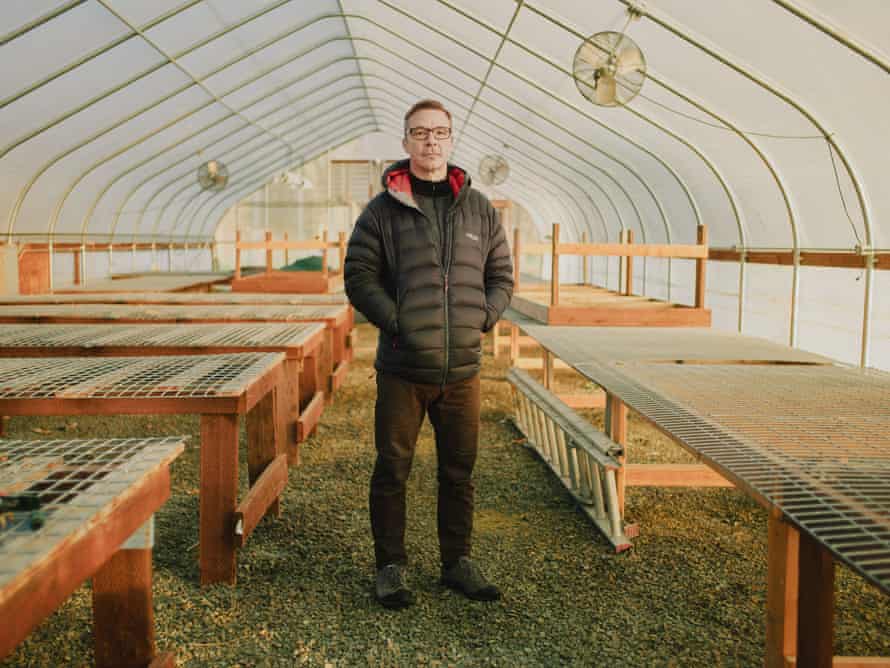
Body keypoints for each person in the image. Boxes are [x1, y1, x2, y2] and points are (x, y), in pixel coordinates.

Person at [344, 99, 514, 609]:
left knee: (459, 471)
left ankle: (457, 562)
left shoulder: (478, 209)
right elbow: (358, 276)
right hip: (403, 369)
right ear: (406, 143)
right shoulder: (381, 212)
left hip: (462, 370)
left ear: (451, 139)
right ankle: (390, 567)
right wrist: (396, 323)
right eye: (420, 133)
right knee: (393, 468)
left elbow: (501, 275)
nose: (431, 141)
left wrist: (483, 318)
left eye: (440, 132)